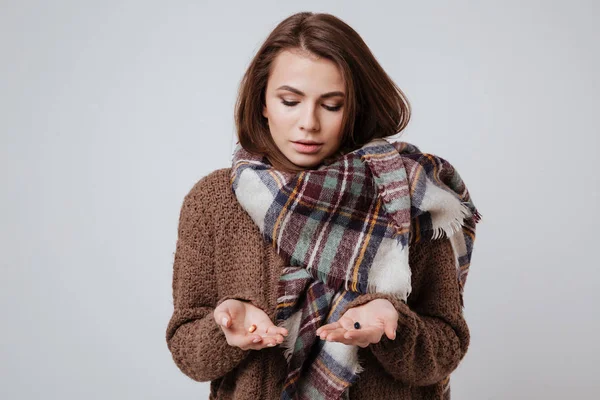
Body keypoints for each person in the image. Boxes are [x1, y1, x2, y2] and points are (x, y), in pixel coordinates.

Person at [166, 11, 480, 400]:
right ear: (263, 101)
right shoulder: (213, 201)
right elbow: (187, 349)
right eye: (290, 101)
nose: (308, 123)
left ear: (354, 109)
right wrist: (225, 327)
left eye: (331, 105)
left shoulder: (408, 193)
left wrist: (393, 325)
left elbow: (446, 344)